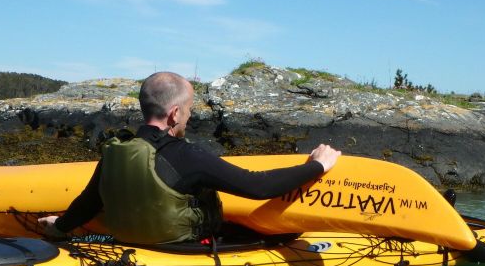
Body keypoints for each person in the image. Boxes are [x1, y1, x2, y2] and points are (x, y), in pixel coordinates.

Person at [38, 71, 341, 244]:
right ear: (174, 113)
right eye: (189, 109)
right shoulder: (189, 156)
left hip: (129, 246)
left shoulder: (115, 152)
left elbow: (88, 202)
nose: (190, 115)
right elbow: (257, 187)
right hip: (184, 253)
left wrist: (60, 228)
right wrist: (318, 165)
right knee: (281, 235)